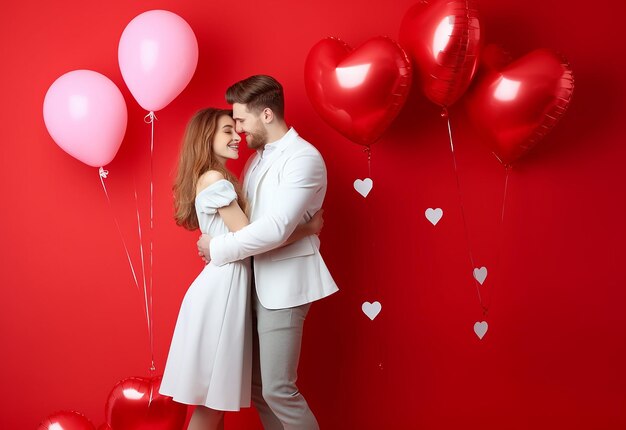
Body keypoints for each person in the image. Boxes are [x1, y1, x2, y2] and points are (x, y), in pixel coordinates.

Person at [159, 108, 323, 430]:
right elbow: (250, 236)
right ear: (207, 138)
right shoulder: (214, 179)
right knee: (210, 404)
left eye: (236, 129)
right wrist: (308, 229)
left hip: (226, 288)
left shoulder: (221, 178)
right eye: (226, 131)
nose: (237, 137)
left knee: (214, 403)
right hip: (221, 293)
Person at [197, 75, 339, 430]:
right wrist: (307, 229)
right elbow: (253, 226)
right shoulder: (256, 160)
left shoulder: (304, 158)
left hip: (285, 287)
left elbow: (275, 229)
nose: (238, 130)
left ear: (266, 115)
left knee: (278, 389)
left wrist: (217, 248)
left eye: (241, 120)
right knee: (259, 389)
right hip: (252, 284)